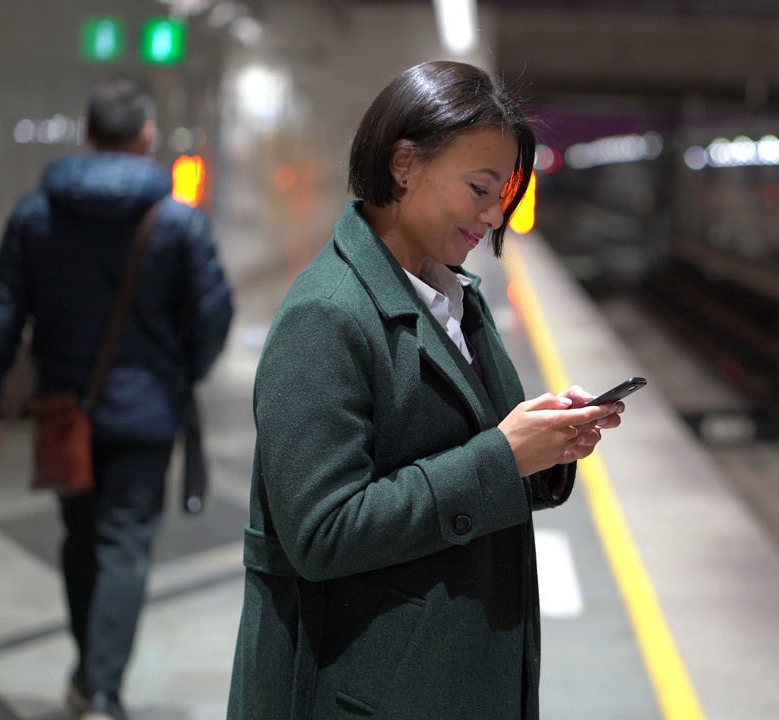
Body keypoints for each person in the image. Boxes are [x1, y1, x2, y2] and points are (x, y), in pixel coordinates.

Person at [227, 60, 625, 719]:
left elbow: (470, 449)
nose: (495, 215)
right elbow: (323, 532)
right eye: (480, 188)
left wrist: (543, 448)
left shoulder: (454, 296)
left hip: (438, 678)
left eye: (505, 195)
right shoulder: (326, 317)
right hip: (366, 691)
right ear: (404, 163)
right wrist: (504, 457)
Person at [0, 78, 234, 720]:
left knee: (79, 540)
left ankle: (89, 678)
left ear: (86, 136)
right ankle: (101, 690)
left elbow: (2, 315)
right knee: (124, 546)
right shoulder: (177, 221)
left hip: (65, 413)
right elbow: (214, 313)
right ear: (146, 137)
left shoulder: (35, 215)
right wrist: (180, 370)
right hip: (145, 415)